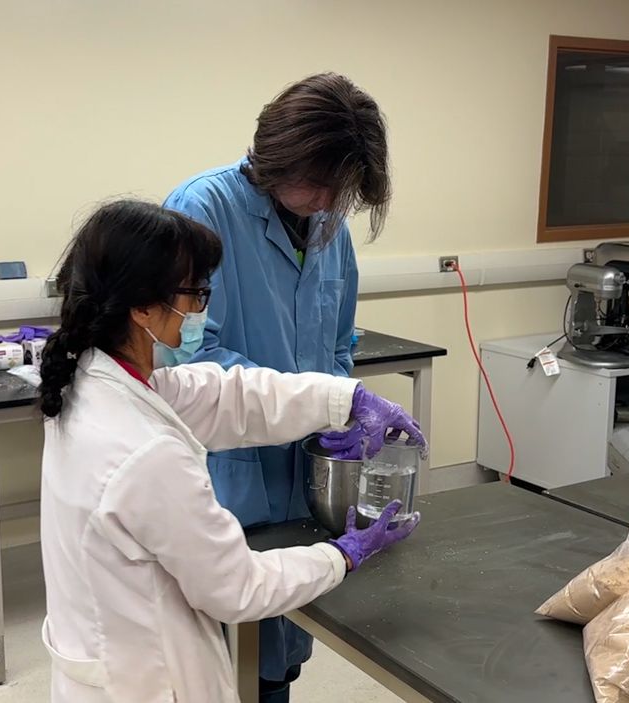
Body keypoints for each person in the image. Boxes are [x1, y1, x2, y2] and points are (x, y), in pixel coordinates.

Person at [36, 200, 422, 703]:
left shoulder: (89, 380)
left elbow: (226, 396)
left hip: (103, 658)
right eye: (195, 293)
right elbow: (238, 589)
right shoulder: (146, 452)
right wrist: (341, 556)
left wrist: (345, 399)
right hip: (146, 684)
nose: (201, 311)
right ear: (142, 307)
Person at [164, 72, 411, 700]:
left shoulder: (330, 227)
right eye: (320, 182)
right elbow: (189, 360)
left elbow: (337, 345)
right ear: (278, 156)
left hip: (304, 474)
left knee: (284, 648)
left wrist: (344, 410)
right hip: (231, 469)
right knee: (227, 656)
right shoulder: (201, 211)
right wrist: (312, 401)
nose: (329, 201)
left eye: (342, 188)